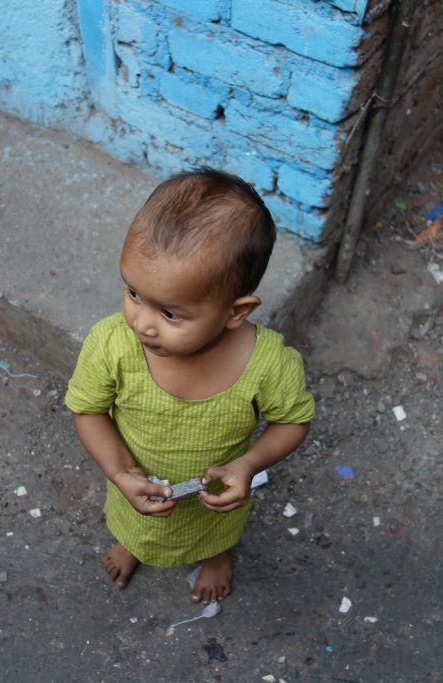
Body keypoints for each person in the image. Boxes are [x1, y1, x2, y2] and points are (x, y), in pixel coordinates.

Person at [65, 168, 314, 603]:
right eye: (134, 293)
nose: (142, 323)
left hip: (214, 497)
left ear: (236, 312)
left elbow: (293, 421)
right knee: (137, 515)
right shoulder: (111, 343)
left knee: (218, 526)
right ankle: (134, 542)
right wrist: (120, 471)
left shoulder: (269, 363)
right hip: (135, 477)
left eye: (171, 314)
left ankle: (218, 556)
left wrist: (249, 464)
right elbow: (86, 410)